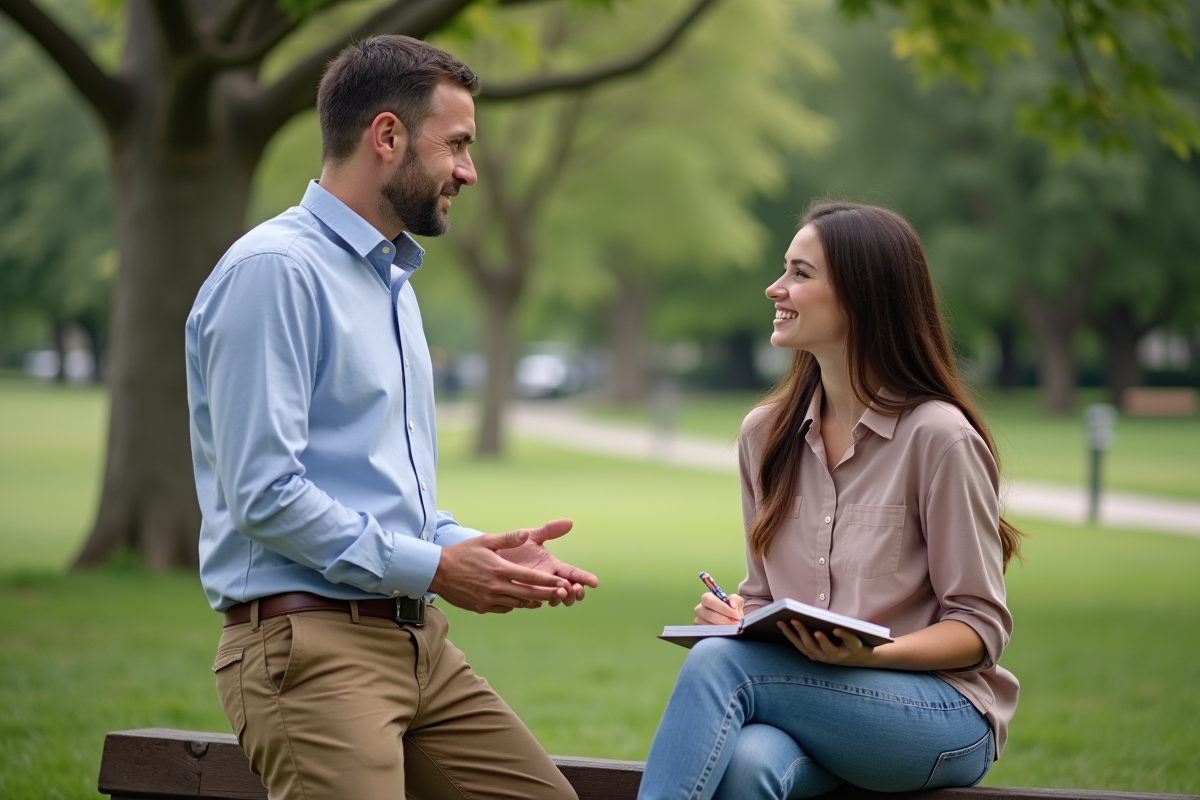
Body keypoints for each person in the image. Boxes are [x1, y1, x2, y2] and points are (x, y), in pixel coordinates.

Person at [185, 35, 597, 800]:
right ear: (386, 136)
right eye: (459, 145)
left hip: (420, 644)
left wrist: (477, 551)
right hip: (307, 649)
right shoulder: (275, 273)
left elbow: (375, 491)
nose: (469, 172)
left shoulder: (393, 284)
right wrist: (437, 567)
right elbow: (265, 492)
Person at [637, 201, 1022, 800]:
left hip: (941, 714)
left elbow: (979, 628)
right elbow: (766, 594)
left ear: (862, 295)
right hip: (816, 701)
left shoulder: (938, 438)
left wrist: (869, 656)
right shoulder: (763, 436)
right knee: (752, 763)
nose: (775, 288)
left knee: (718, 669)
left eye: (800, 273)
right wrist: (738, 616)